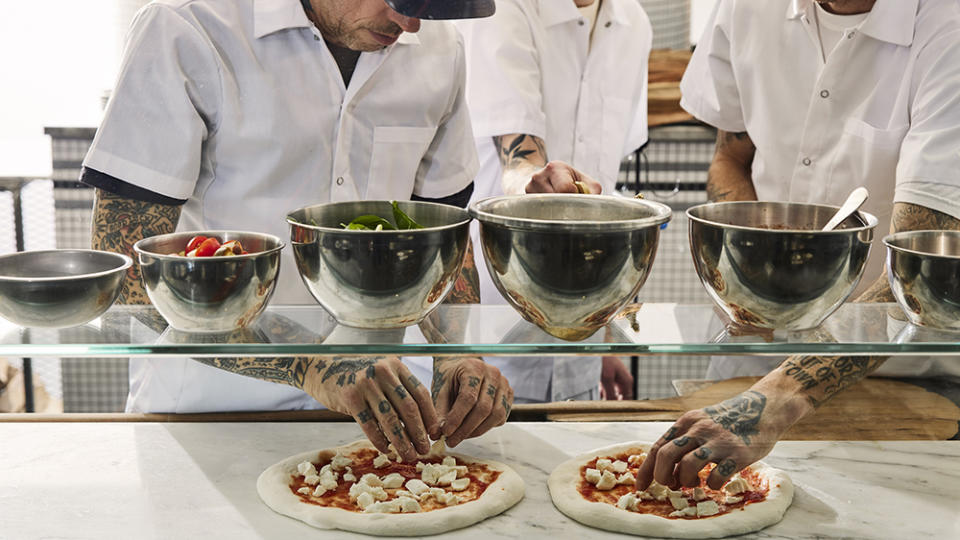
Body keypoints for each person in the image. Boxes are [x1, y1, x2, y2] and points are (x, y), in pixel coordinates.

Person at [81, 0, 513, 462]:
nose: (410, 24)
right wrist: (303, 365)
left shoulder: (440, 49)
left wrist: (456, 355)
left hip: (375, 422)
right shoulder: (188, 27)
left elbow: (444, 237)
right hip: (208, 417)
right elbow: (125, 272)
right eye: (394, 0)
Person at [637, 0, 960, 491]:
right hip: (751, 364)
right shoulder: (746, 9)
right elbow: (731, 158)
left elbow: (922, 274)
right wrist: (754, 288)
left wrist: (774, 399)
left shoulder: (947, 25)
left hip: (904, 379)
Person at [452, 0, 651, 402]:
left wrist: (604, 336)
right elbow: (517, 152)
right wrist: (536, 185)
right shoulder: (504, 8)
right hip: (490, 329)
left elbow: (603, 177)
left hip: (583, 336)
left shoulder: (634, 24)